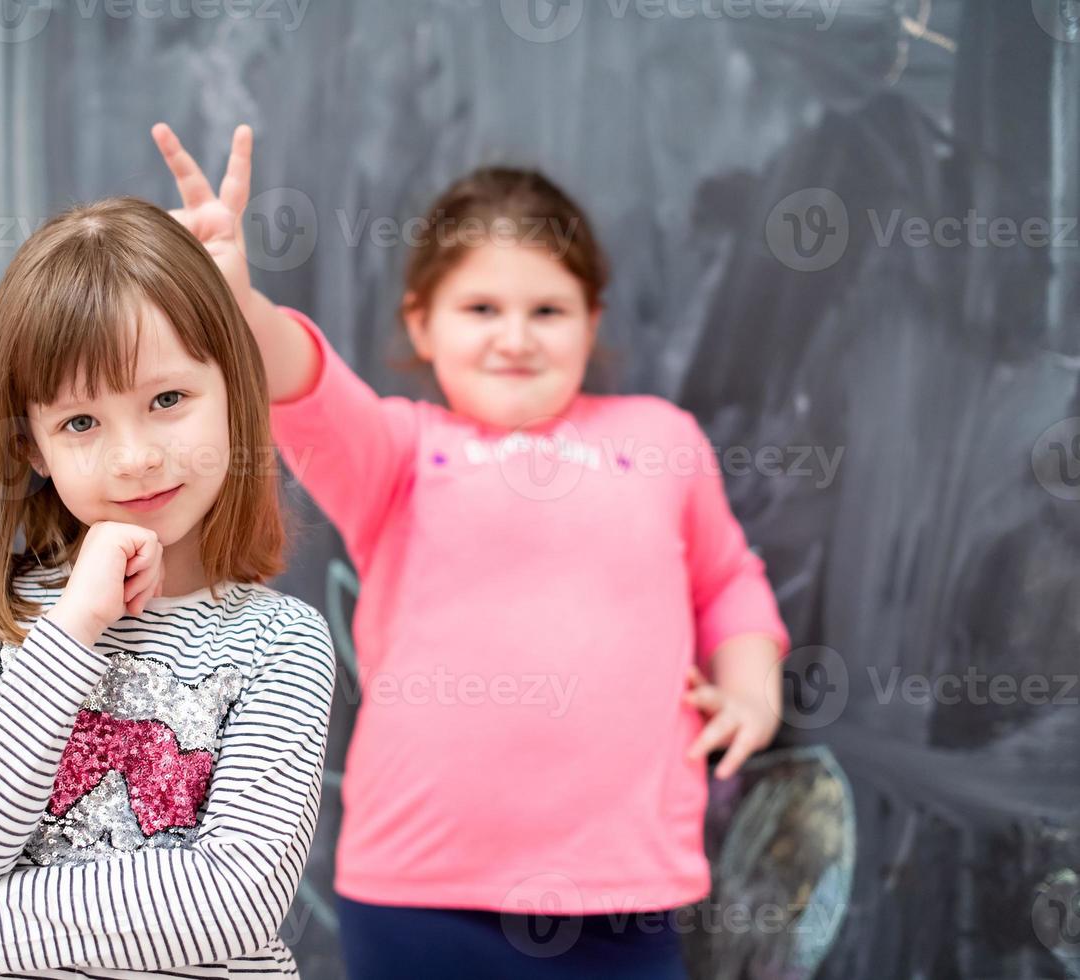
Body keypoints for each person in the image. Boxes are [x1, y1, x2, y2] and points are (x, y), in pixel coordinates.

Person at [152, 122, 791, 979]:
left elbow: (729, 580)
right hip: (421, 891)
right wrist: (239, 304)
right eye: (481, 308)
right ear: (421, 323)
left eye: (548, 310)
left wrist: (752, 685)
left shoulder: (660, 438)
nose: (515, 337)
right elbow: (305, 385)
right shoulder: (399, 452)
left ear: (592, 319)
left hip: (624, 890)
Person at [0, 196, 336, 978]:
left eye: (167, 400)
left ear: (234, 393)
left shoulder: (283, 643)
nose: (135, 455)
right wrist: (72, 625)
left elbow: (235, 900)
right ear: (34, 445)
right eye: (81, 422)